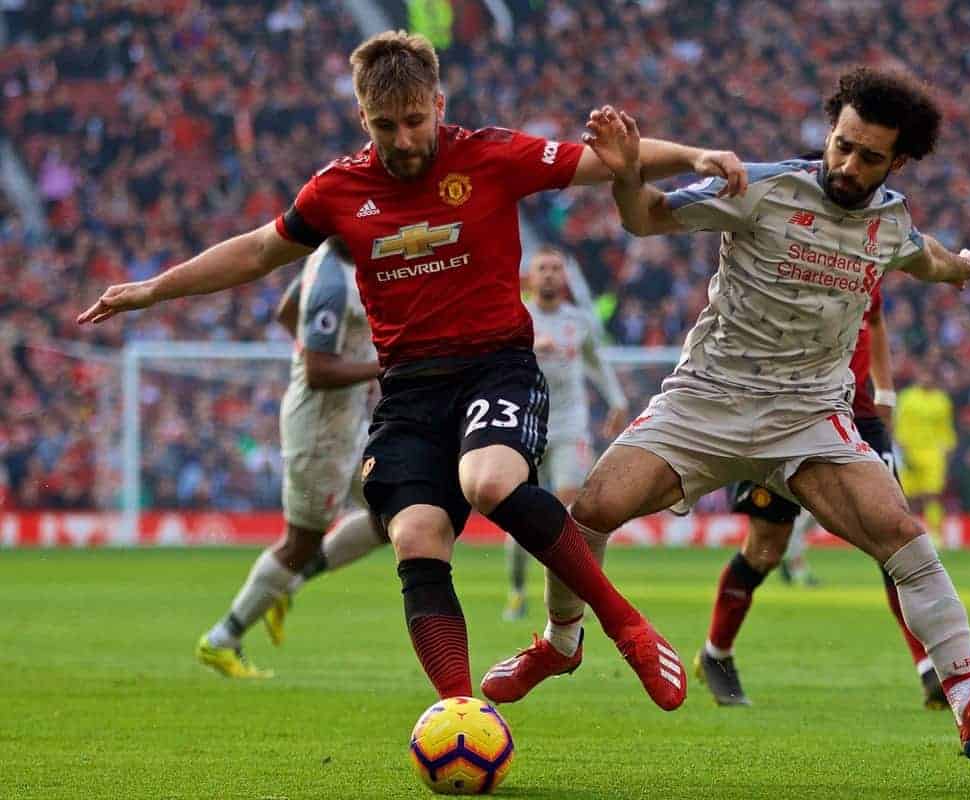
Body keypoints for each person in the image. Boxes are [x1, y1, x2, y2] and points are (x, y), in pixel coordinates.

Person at [78, 29, 751, 711]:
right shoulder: (337, 189)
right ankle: (464, 715)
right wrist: (152, 289)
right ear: (361, 119)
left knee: (489, 482)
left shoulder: (489, 154)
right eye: (385, 125)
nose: (402, 139)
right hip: (407, 390)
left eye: (414, 120)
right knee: (415, 535)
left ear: (438, 102)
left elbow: (612, 160)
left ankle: (624, 625)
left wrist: (696, 155)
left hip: (496, 368)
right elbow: (256, 252)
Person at [483, 67, 970, 762]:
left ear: (897, 162)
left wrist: (960, 266)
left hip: (809, 415)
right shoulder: (766, 186)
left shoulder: (889, 219)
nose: (847, 163)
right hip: (705, 401)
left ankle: (969, 703)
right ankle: (560, 645)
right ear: (830, 129)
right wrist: (626, 176)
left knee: (904, 537)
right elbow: (645, 218)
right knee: (588, 513)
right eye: (842, 143)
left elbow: (919, 255)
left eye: (869, 156)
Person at [700, 284, 949, 711]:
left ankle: (930, 668)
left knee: (895, 539)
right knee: (765, 549)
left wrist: (885, 390)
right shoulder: (790, 256)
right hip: (788, 412)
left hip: (859, 414)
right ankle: (716, 656)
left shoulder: (866, 253)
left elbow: (874, 318)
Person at [195, 237, 384, 678]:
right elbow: (319, 372)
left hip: (346, 423)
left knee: (391, 513)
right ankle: (222, 638)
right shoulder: (334, 282)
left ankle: (287, 587)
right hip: (319, 430)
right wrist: (380, 365)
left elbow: (286, 310)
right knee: (300, 543)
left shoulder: (328, 260)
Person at [504, 247, 628, 621]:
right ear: (530, 277)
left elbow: (595, 360)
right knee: (521, 514)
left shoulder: (579, 320)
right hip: (527, 424)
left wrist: (617, 400)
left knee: (567, 507)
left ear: (565, 277)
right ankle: (516, 590)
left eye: (556, 268)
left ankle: (568, 594)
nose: (550, 275)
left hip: (571, 423)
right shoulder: (517, 318)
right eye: (543, 268)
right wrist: (527, 347)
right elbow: (494, 361)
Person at [894, 361, 956, 538]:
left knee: (932, 494)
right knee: (909, 497)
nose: (926, 378)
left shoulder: (942, 400)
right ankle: (909, 535)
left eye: (929, 375)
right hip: (910, 450)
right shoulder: (907, 397)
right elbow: (900, 424)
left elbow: (946, 427)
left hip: (934, 453)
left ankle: (936, 535)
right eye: (923, 374)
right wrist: (902, 447)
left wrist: (948, 448)